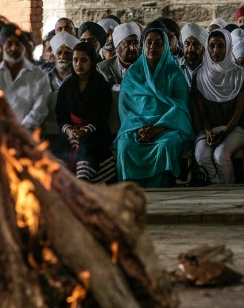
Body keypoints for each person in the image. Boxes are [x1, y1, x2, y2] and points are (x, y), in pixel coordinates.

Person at [116, 23, 193, 188]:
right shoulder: (133, 75)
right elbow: (126, 110)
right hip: (136, 129)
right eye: (149, 42)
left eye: (158, 43)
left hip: (167, 129)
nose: (153, 47)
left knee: (166, 146)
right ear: (143, 46)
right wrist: (139, 128)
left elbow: (180, 108)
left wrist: (158, 128)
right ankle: (129, 193)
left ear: (165, 47)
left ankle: (163, 191)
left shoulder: (175, 74)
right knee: (126, 146)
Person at [50, 41, 116, 183]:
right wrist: (70, 132)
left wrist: (85, 131)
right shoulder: (67, 86)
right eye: (75, 60)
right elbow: (61, 116)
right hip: (72, 132)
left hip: (95, 131)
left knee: (87, 149)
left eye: (83, 60)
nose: (79, 64)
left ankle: (82, 183)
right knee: (57, 147)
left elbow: (102, 116)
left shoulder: (101, 85)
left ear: (91, 61)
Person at [192, 29, 244, 184]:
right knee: (202, 156)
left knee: (221, 155)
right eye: (211, 46)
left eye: (221, 46)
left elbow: (238, 112)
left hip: (235, 128)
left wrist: (224, 132)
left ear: (228, 47)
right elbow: (202, 113)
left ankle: (227, 190)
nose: (215, 50)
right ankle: (215, 188)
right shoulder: (199, 76)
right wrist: (209, 131)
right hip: (209, 129)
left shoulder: (239, 75)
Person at [0, 24, 51, 131]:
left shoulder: (39, 75)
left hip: (28, 135)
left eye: (18, 44)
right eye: (9, 43)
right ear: (3, 46)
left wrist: (20, 130)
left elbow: (39, 111)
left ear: (23, 47)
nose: (14, 48)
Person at [97, 21, 141, 89]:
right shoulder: (102, 68)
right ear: (117, 47)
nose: (132, 48)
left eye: (136, 43)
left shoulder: (146, 65)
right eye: (127, 43)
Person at [178, 23, 207, 87]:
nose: (191, 48)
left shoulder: (210, 68)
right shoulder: (175, 66)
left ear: (203, 47)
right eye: (187, 43)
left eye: (196, 44)